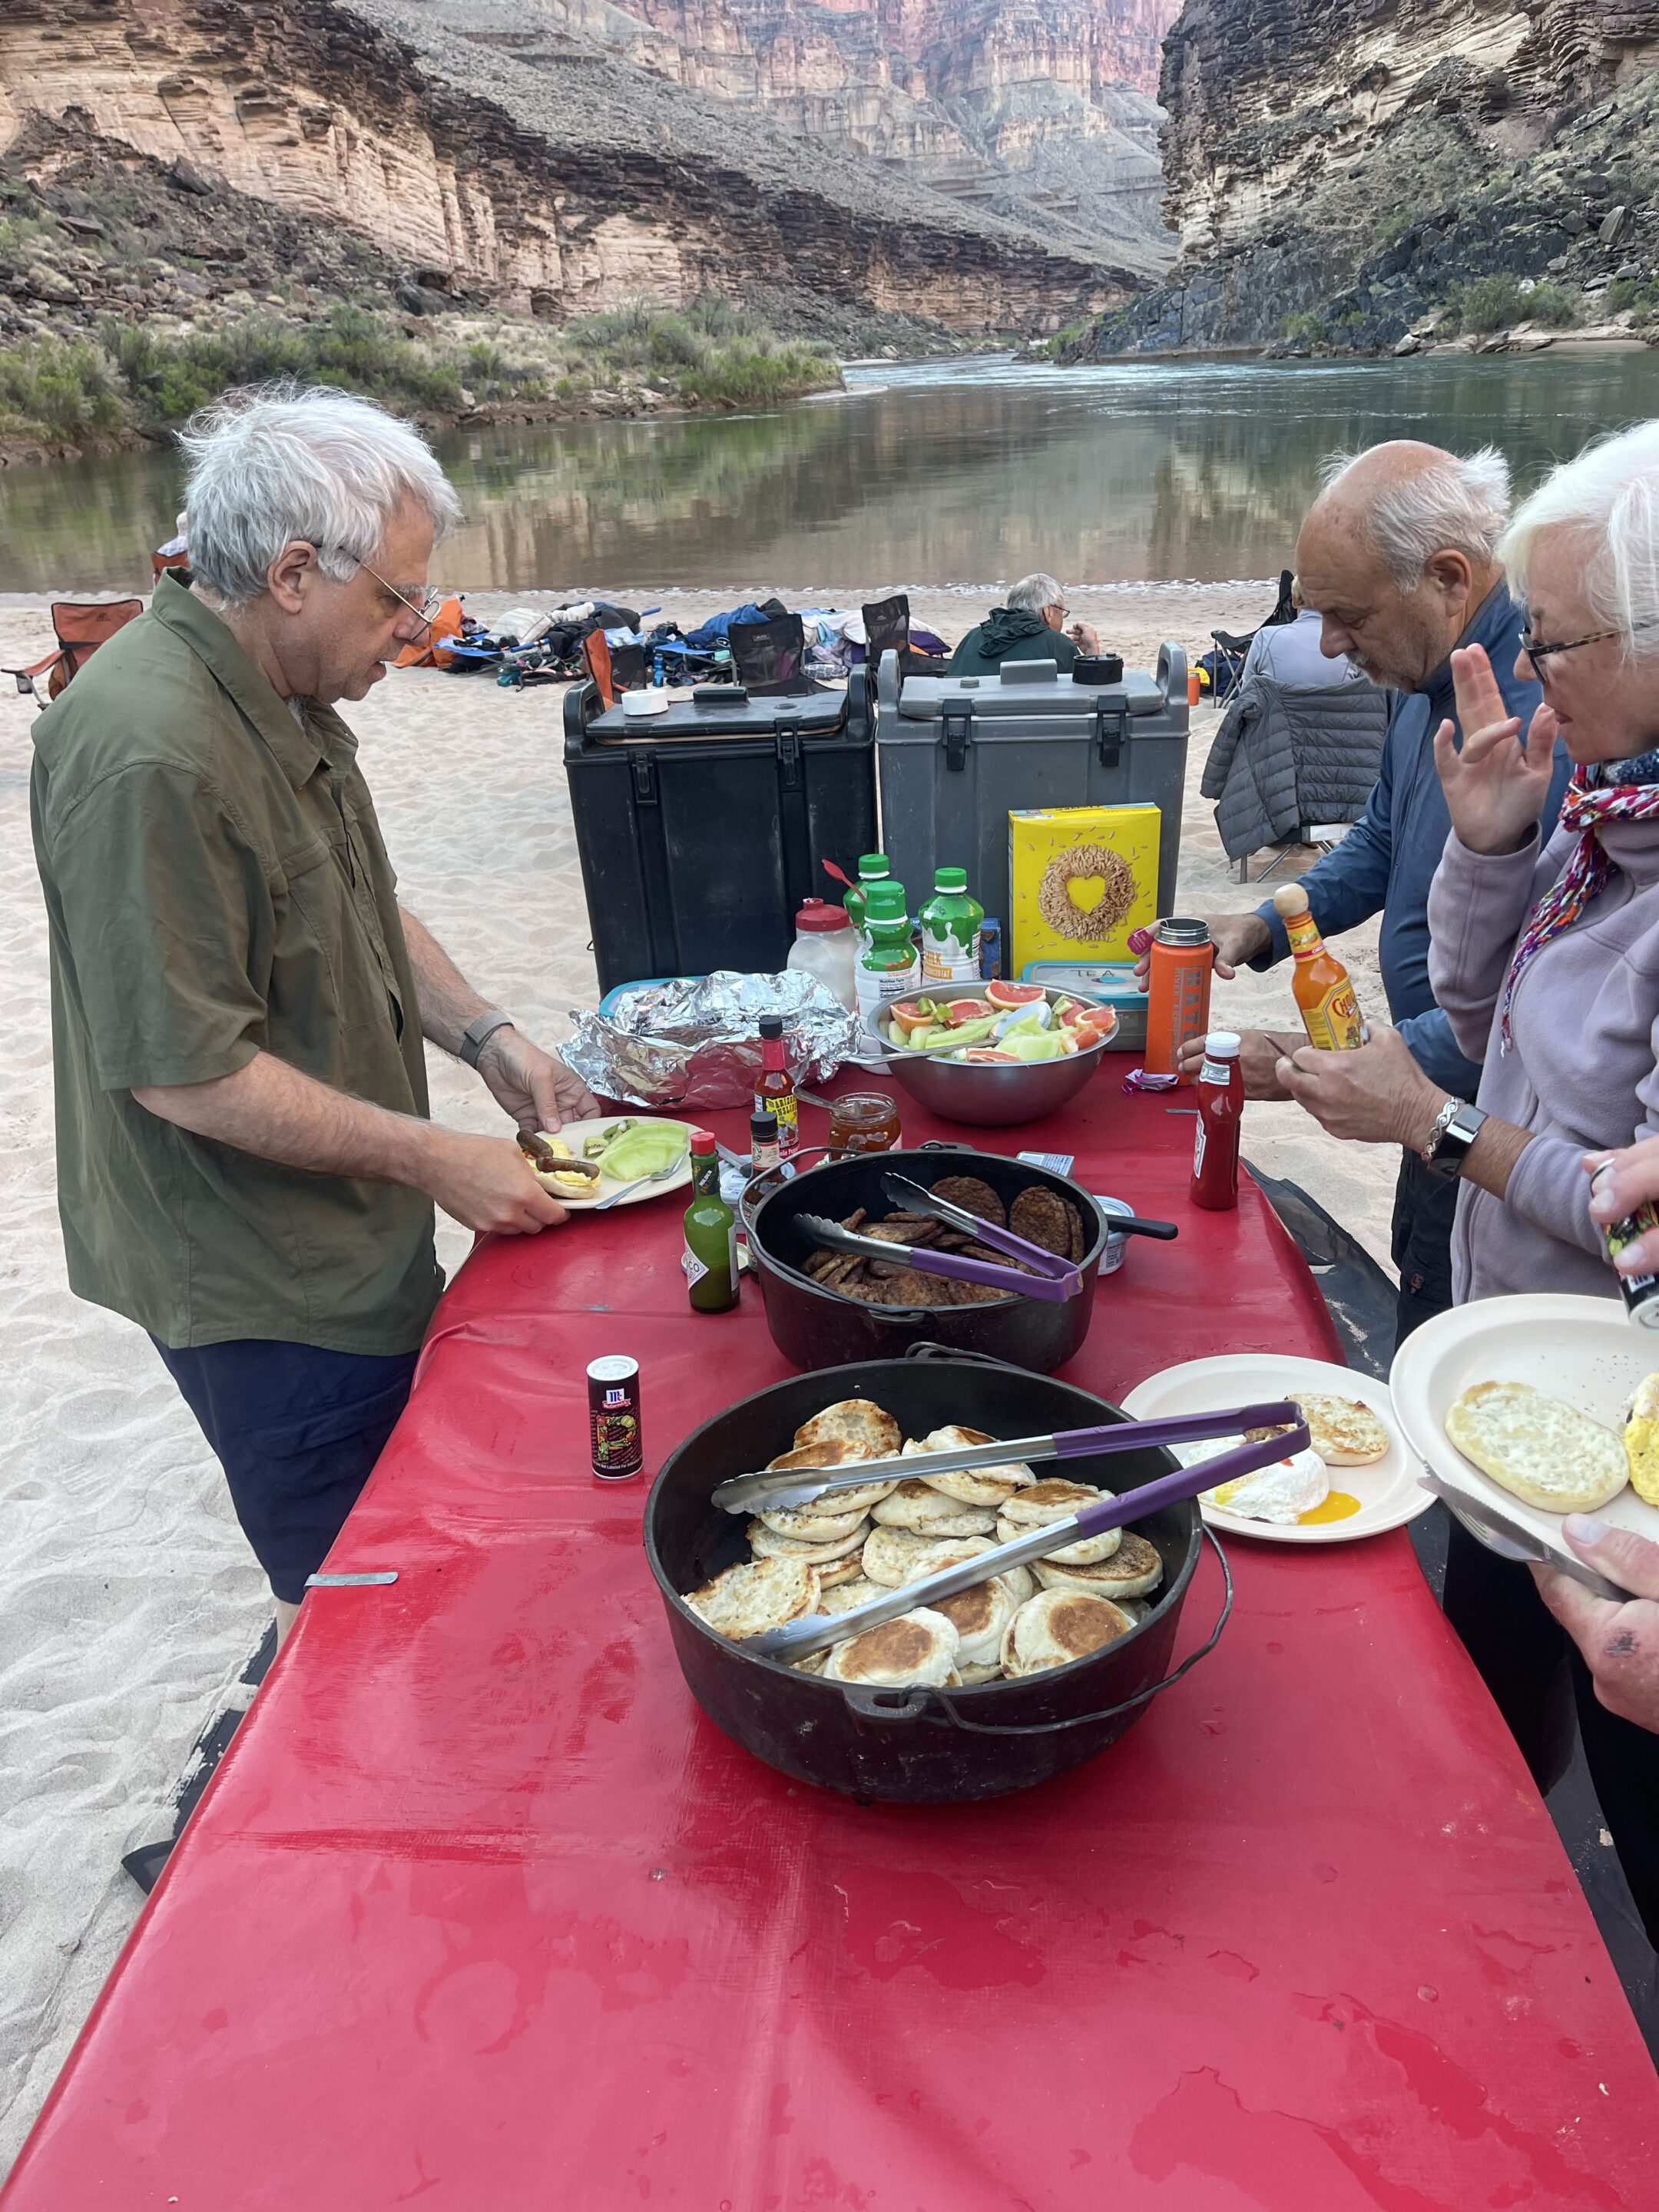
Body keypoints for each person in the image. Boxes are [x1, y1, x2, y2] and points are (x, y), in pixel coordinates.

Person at [31, 382, 598, 1646]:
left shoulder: (281, 692)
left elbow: (355, 899)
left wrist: (488, 1040)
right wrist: (435, 1158)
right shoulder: (152, 752)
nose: (413, 627)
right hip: (264, 1279)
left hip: (349, 1226)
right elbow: (186, 1075)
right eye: (395, 597)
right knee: (366, 1600)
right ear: (294, 573)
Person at [1277, 420, 1659, 1934]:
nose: (1531, 658)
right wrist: (1496, 849)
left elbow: (1630, 1215)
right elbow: (1516, 1047)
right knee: (1498, 1667)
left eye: (1555, 636)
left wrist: (1430, 1128)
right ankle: (1490, 1906)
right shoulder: (1609, 825)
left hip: (1605, 1409)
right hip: (1525, 1382)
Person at [1137, 441, 1569, 1343]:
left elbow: (1513, 1018)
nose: (1331, 645)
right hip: (1430, 1110)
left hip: (1488, 1136)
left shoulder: (1537, 728)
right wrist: (1257, 926)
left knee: (1459, 1353)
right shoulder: (1428, 674)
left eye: (1347, 616)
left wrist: (1304, 1067)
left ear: (1448, 577)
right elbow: (1379, 838)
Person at [948, 572, 1099, 676]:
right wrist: (1092, 652)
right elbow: (1092, 692)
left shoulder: (972, 637)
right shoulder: (1056, 643)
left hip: (973, 721)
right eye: (1061, 611)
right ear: (1048, 612)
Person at [1237, 579, 1364, 690]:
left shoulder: (1265, 638)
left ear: (1294, 601)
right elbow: (1369, 697)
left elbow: (1246, 694)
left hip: (1277, 717)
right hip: (1337, 717)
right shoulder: (1354, 643)